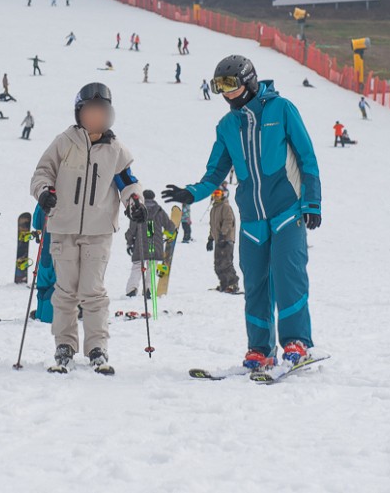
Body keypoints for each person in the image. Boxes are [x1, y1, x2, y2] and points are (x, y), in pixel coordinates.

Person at [162, 55, 322, 371]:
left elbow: (307, 157)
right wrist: (191, 193)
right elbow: (215, 172)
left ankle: (297, 343)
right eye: (218, 86)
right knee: (256, 284)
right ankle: (260, 349)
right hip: (251, 220)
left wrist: (312, 202)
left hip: (287, 211)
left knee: (289, 277)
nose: (225, 93)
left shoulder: (281, 110)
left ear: (248, 81)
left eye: (230, 85)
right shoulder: (226, 126)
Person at [30, 82, 146, 374]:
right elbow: (43, 172)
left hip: (99, 230)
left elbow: (128, 183)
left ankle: (97, 347)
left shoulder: (115, 150)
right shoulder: (64, 142)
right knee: (65, 290)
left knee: (93, 291)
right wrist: (44, 191)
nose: (95, 118)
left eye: (101, 112)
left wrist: (134, 202)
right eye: (89, 112)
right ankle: (64, 345)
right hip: (64, 226)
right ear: (79, 114)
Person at [124, 190, 174, 298]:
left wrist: (129, 243)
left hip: (140, 245)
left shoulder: (138, 210)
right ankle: (148, 290)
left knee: (137, 267)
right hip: (154, 244)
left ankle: (132, 289)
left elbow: (132, 230)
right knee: (151, 266)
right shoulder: (159, 211)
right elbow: (169, 226)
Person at [208, 187, 239, 293]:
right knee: (217, 263)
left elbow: (228, 221)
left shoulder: (225, 207)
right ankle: (224, 283)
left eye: (218, 193)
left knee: (226, 262)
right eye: (214, 193)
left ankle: (233, 284)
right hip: (218, 240)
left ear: (222, 194)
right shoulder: (213, 209)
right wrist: (210, 239)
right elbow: (212, 225)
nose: (216, 195)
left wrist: (223, 234)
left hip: (226, 239)